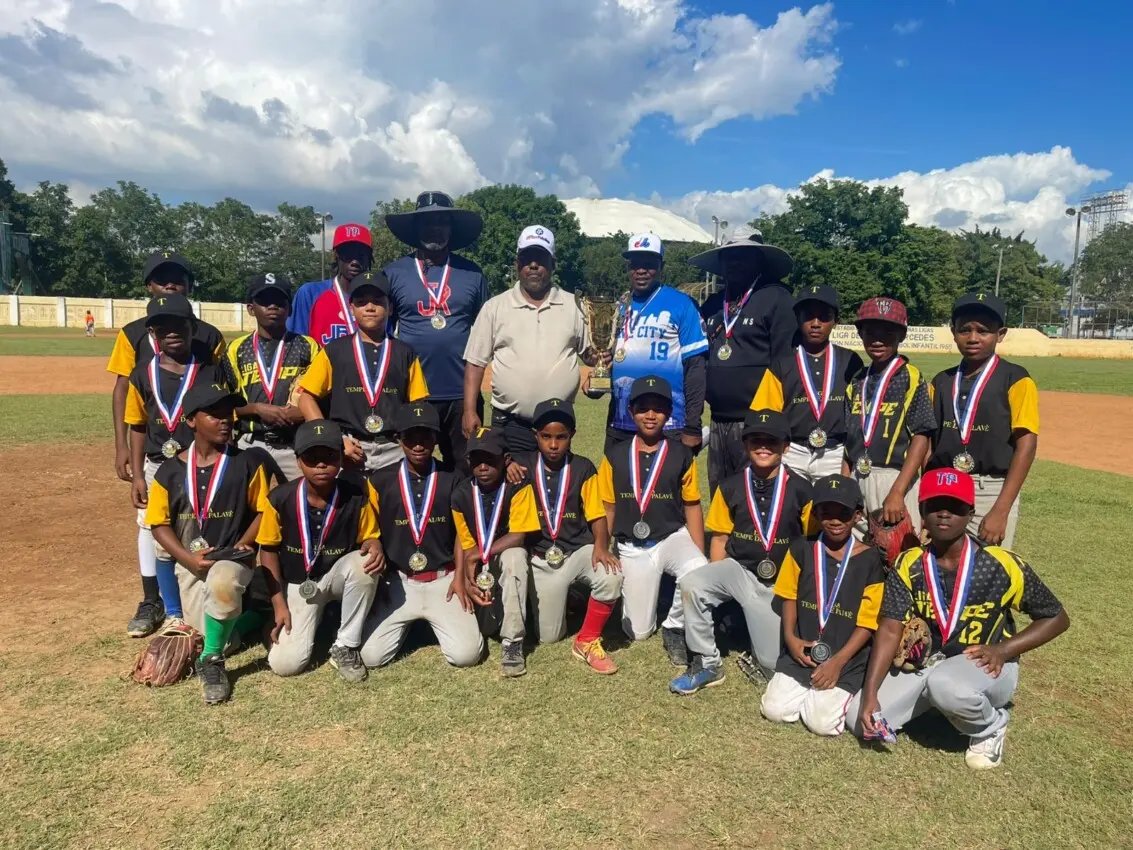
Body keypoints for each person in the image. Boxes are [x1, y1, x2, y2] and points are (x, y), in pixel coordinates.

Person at [849, 469, 1070, 769]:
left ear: (970, 513)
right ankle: (936, 706)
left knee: (946, 686)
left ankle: (992, 725)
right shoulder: (909, 563)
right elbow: (889, 629)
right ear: (922, 512)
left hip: (986, 663)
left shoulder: (999, 564)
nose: (944, 514)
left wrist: (1003, 650)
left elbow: (1056, 617)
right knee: (860, 719)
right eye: (935, 505)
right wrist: (871, 693)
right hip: (928, 663)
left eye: (954, 507)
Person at [106, 251, 225, 634]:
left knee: (200, 517)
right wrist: (124, 449)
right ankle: (153, 600)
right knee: (151, 525)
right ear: (148, 286)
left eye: (178, 279)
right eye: (162, 279)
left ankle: (203, 592)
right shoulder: (134, 333)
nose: (170, 285)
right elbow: (126, 392)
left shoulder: (209, 339)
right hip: (158, 452)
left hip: (198, 453)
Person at [145, 382, 273, 705]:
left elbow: (263, 511)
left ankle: (212, 662)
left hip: (232, 560)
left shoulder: (246, 463)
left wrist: (245, 542)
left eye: (227, 412)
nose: (225, 419)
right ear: (191, 420)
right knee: (210, 634)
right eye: (214, 414)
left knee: (223, 585)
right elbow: (158, 525)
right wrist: (187, 560)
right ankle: (256, 614)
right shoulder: (169, 472)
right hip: (193, 563)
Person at [672, 409, 815, 694]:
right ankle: (707, 662)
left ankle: (762, 645)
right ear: (746, 445)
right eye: (755, 441)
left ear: (785, 447)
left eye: (771, 441)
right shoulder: (730, 486)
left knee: (771, 666)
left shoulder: (802, 488)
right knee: (692, 583)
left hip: (782, 585)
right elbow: (720, 538)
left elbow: (812, 544)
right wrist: (720, 593)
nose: (763, 447)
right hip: (741, 571)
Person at [359, 403, 484, 669]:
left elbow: (463, 534)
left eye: (426, 436)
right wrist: (375, 546)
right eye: (410, 437)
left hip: (444, 579)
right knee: (371, 657)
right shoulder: (380, 480)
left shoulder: (454, 477)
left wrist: (459, 577)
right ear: (398, 439)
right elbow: (371, 532)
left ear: (436, 438)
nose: (418, 445)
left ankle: (430, 621)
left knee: (466, 655)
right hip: (400, 581)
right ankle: (415, 623)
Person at [259, 421, 385, 682]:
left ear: (341, 458)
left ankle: (345, 645)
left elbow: (370, 537)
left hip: (337, 577)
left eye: (329, 456)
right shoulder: (279, 499)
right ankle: (268, 621)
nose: (320, 464)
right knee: (285, 665)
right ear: (297, 461)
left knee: (364, 564)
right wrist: (279, 604)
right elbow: (268, 549)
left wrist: (375, 544)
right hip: (298, 582)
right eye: (311, 457)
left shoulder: (355, 497)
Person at [760, 475, 885, 736]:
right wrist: (791, 639)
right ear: (815, 513)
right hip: (803, 651)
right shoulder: (801, 549)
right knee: (774, 710)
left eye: (844, 512)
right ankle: (807, 689)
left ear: (857, 515)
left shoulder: (870, 560)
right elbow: (790, 596)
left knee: (820, 724)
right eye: (826, 512)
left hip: (845, 657)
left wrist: (838, 662)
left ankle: (829, 694)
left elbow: (867, 622)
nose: (835, 520)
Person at [462, 225, 604, 454]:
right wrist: (469, 411)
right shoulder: (495, 307)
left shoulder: (576, 306)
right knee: (513, 488)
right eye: (527, 259)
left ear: (553, 264)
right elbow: (475, 363)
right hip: (510, 424)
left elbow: (590, 355)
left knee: (554, 489)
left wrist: (601, 359)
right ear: (518, 264)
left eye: (541, 258)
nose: (534, 265)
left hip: (557, 426)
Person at [597, 376, 707, 663]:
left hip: (671, 537)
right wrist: (604, 548)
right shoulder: (614, 455)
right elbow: (608, 507)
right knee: (638, 632)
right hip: (632, 546)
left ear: (668, 414)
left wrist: (699, 552)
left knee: (697, 568)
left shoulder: (682, 454)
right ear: (631, 411)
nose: (650, 415)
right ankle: (643, 598)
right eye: (643, 408)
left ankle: (674, 625)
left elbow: (692, 505)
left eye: (658, 408)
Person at [384, 191, 488, 474]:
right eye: (428, 222)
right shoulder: (393, 273)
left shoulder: (472, 274)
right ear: (416, 229)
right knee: (417, 470)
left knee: (466, 469)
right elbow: (382, 333)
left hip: (461, 394)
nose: (435, 228)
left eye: (442, 222)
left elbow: (485, 332)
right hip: (414, 393)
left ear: (451, 229)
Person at [926, 292, 1039, 549]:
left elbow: (1027, 445)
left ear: (1001, 334)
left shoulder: (1016, 379)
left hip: (990, 489)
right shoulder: (941, 382)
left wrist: (1001, 510)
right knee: (943, 565)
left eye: (983, 330)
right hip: (945, 485)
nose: (973, 337)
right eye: (964, 329)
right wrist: (927, 498)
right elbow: (929, 445)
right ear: (953, 332)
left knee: (988, 570)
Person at [691, 231, 797, 495]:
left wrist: (774, 422)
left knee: (755, 493)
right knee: (721, 492)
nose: (735, 263)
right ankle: (722, 538)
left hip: (757, 421)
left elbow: (786, 363)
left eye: (743, 257)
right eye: (729, 257)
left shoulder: (777, 298)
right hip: (718, 421)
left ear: (759, 261)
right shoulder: (715, 303)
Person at [296, 271, 429, 474]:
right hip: (348, 447)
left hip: (393, 449)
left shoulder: (405, 352)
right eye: (361, 302)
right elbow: (306, 397)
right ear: (351, 308)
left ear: (390, 307)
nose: (369, 307)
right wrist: (333, 439)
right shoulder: (334, 350)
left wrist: (407, 442)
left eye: (377, 301)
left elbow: (418, 404)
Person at [590, 233, 708, 455]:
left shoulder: (682, 304)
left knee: (665, 489)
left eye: (649, 264)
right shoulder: (619, 306)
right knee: (619, 487)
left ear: (661, 266)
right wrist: (602, 366)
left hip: (669, 423)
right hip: (622, 421)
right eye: (635, 264)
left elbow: (696, 368)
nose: (641, 270)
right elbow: (609, 355)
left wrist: (693, 424)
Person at [751, 284, 864, 483]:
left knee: (831, 512)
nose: (815, 323)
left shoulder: (851, 361)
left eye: (824, 317)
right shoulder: (781, 364)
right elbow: (765, 414)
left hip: (835, 453)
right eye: (808, 316)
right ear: (798, 319)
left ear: (836, 321)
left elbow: (860, 413)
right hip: (793, 452)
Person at [451, 427, 541, 677]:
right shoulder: (460, 495)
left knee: (515, 556)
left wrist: (479, 554)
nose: (482, 466)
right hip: (482, 564)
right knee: (483, 629)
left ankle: (512, 642)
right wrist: (469, 579)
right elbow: (467, 544)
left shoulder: (518, 486)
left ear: (505, 458)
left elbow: (519, 536)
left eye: (490, 459)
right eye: (476, 460)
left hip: (507, 556)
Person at [843, 297, 936, 532]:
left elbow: (921, 437)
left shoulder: (910, 378)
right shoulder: (856, 381)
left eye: (888, 333)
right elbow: (848, 440)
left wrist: (897, 491)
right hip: (857, 476)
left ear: (902, 336)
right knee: (859, 556)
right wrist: (845, 485)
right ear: (860, 333)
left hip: (894, 478)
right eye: (870, 332)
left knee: (897, 555)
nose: (877, 340)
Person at [223, 274, 319, 482]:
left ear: (290, 308)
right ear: (250, 308)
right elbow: (225, 405)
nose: (273, 306)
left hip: (295, 442)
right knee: (248, 509)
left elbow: (322, 398)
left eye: (280, 301)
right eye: (264, 301)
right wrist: (257, 409)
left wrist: (302, 412)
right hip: (250, 442)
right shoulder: (236, 349)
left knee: (299, 506)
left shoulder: (309, 347)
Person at [287, 223, 373, 347]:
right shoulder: (310, 293)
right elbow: (295, 346)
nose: (354, 262)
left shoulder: (378, 300)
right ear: (336, 255)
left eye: (361, 255)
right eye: (348, 254)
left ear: (369, 258)